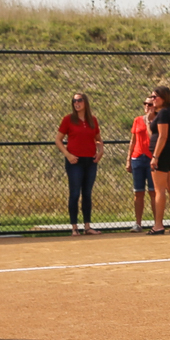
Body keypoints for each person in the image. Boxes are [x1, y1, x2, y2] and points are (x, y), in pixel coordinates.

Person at [54, 92, 104, 236]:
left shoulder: (92, 120)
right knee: (75, 193)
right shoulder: (68, 120)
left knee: (87, 194)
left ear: (85, 102)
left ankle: (87, 226)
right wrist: (68, 155)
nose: (77, 103)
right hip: (75, 161)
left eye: (80, 100)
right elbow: (58, 140)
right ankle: (74, 227)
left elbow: (98, 139)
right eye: (74, 101)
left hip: (90, 161)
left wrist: (100, 151)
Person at [146, 85, 170, 234]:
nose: (153, 100)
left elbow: (162, 136)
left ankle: (158, 225)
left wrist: (155, 157)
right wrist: (149, 121)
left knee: (159, 190)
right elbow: (155, 135)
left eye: (155, 97)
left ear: (164, 98)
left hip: (164, 154)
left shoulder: (163, 114)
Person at [127, 96, 156, 232]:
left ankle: (157, 223)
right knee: (138, 192)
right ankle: (138, 223)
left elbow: (154, 138)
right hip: (138, 158)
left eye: (149, 104)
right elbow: (133, 141)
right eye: (145, 104)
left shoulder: (157, 121)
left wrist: (149, 122)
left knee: (153, 192)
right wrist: (128, 159)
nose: (146, 106)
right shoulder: (137, 120)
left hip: (151, 159)